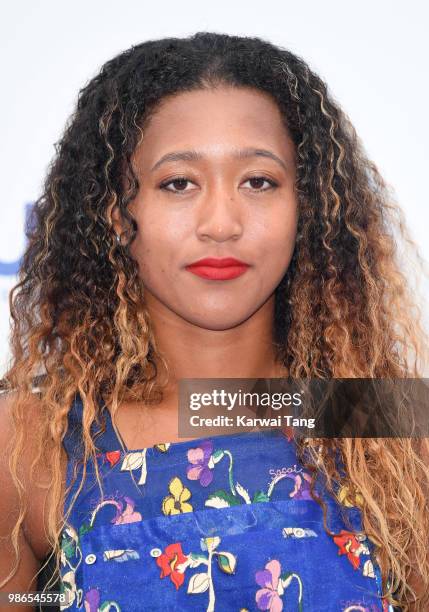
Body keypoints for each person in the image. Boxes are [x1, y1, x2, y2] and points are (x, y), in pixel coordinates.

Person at [0, 31, 428, 611]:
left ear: (308, 207)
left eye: (259, 181)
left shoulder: (382, 420)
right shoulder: (30, 440)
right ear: (115, 213)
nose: (222, 222)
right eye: (178, 183)